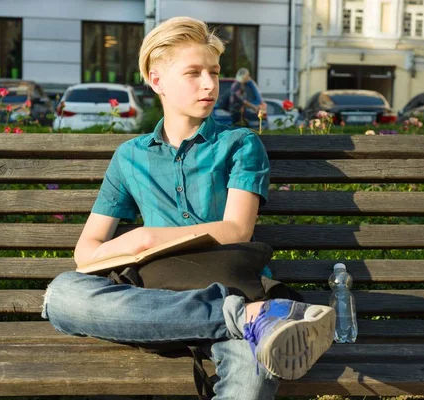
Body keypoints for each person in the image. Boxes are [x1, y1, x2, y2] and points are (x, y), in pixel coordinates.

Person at [41, 16, 335, 399]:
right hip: (158, 297)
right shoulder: (130, 157)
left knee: (252, 380)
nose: (210, 84)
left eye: (213, 72)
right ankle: (247, 319)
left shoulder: (239, 144)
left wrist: (151, 235)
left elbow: (235, 230)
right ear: (156, 79)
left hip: (235, 285)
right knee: (62, 295)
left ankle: (245, 314)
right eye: (194, 73)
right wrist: (138, 240)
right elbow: (87, 251)